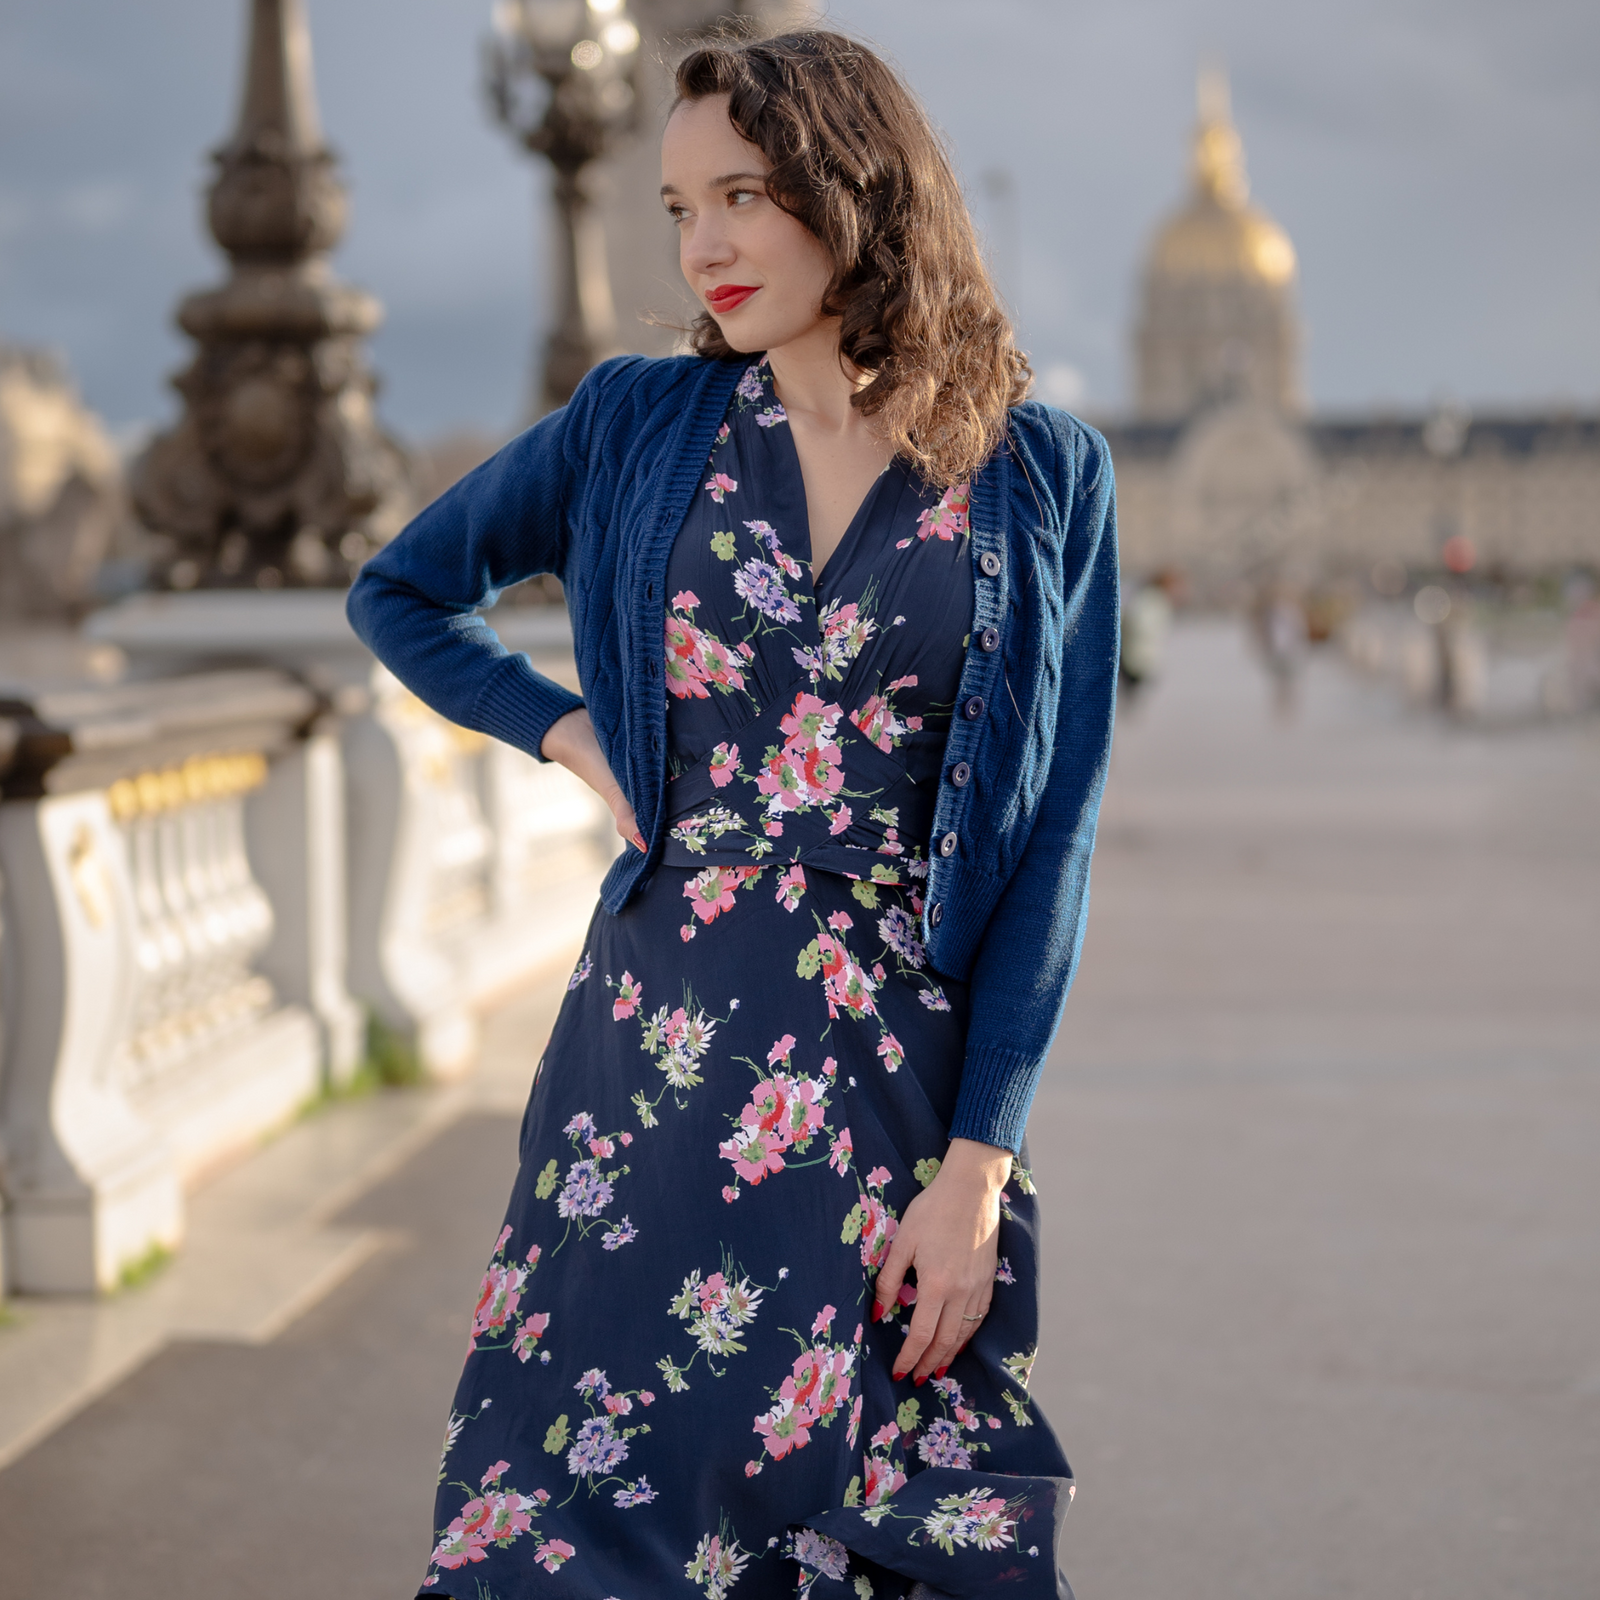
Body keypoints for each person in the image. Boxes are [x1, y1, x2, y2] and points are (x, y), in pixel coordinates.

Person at [347, 31, 1117, 1600]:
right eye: (677, 203)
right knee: (589, 1518)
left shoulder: (1040, 475)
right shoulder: (639, 422)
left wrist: (981, 1164)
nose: (699, 246)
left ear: (856, 192)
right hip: (657, 1065)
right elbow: (402, 590)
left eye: (744, 197)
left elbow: (1055, 837)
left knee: (893, 1516)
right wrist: (564, 731)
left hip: (901, 1087)